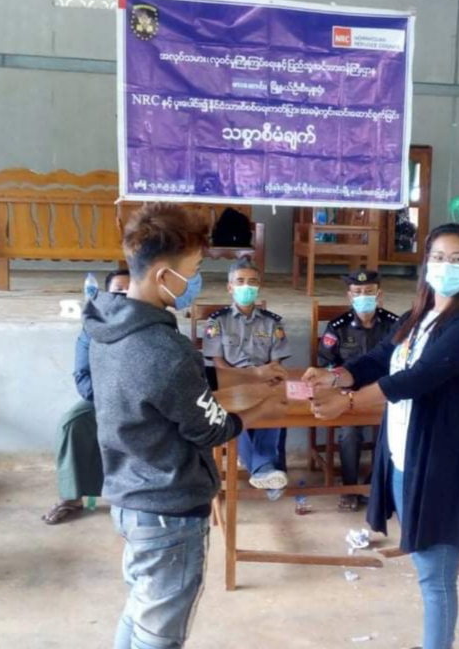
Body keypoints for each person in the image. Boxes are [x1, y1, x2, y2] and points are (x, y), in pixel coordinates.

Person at [83, 203, 287, 649]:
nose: (195, 281)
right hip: (169, 512)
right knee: (160, 635)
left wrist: (251, 377)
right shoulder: (163, 349)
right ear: (163, 275)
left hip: (129, 495)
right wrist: (265, 407)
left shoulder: (107, 324)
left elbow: (186, 378)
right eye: (193, 270)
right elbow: (212, 429)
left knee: (141, 609)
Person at [304, 223, 459, 649]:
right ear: (426, 263)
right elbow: (379, 358)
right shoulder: (417, 317)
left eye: (457, 258)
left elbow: (417, 378)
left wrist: (349, 403)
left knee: (436, 576)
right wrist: (336, 376)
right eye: (438, 257)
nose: (446, 266)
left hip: (442, 461)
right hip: (406, 455)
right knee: (426, 562)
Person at [41, 269, 130, 525]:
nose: (123, 296)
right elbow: (83, 375)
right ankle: (71, 497)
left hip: (142, 400)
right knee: (73, 423)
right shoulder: (92, 327)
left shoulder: (153, 323)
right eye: (117, 291)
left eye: (129, 290)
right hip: (102, 400)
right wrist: (108, 400)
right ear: (105, 295)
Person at [203, 257, 291, 500]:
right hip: (230, 383)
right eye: (240, 281)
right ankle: (266, 469)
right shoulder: (217, 321)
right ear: (230, 287)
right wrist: (246, 378)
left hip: (265, 382)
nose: (246, 287)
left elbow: (276, 364)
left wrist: (266, 379)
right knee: (235, 407)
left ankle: (264, 469)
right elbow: (218, 364)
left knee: (275, 402)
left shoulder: (272, 322)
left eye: (252, 282)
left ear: (259, 286)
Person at [317, 269, 399, 511]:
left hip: (383, 393)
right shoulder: (338, 327)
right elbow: (326, 363)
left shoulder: (394, 325)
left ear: (379, 295)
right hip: (349, 393)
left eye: (369, 291)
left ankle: (375, 484)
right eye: (358, 292)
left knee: (392, 429)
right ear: (350, 296)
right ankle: (350, 487)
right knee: (350, 432)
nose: (364, 296)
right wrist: (340, 387)